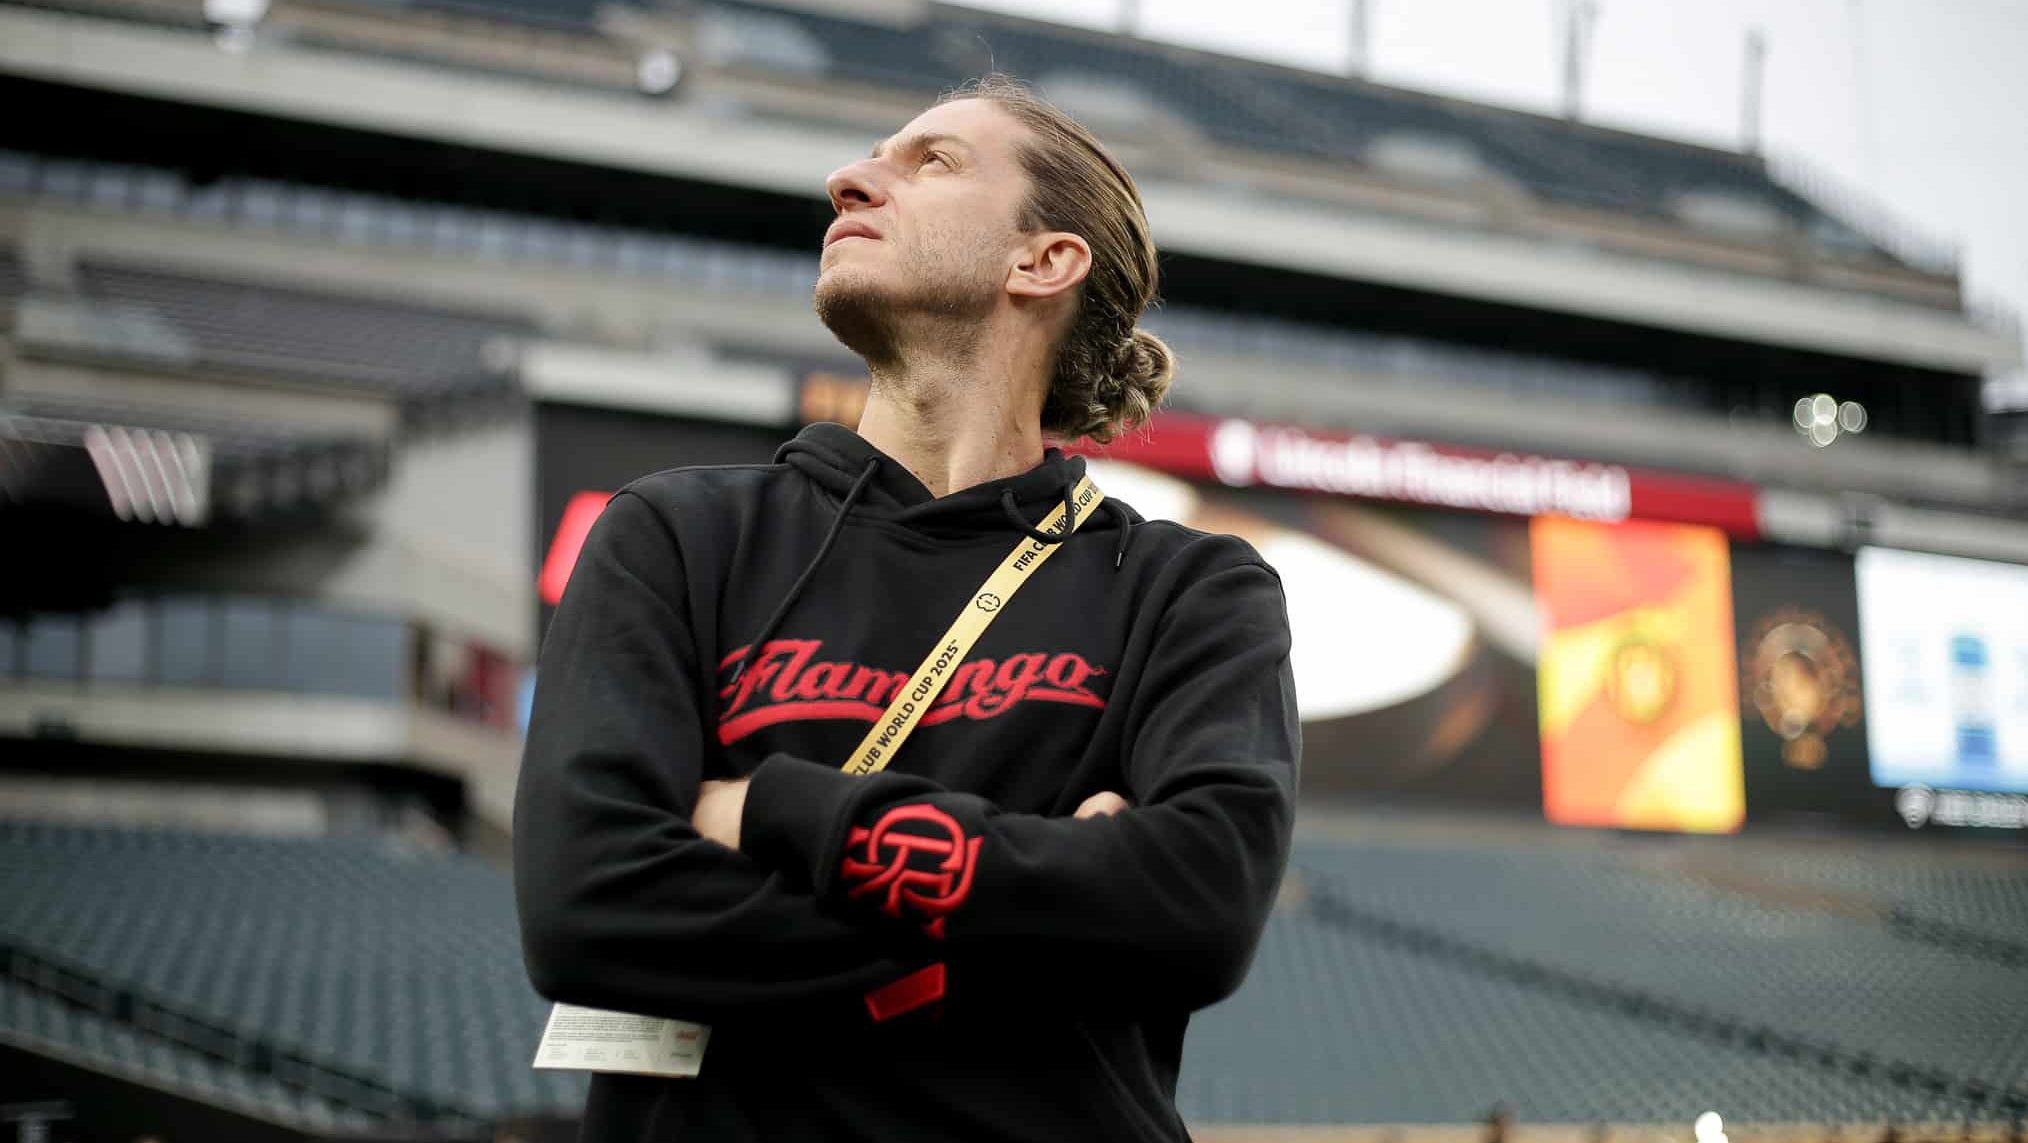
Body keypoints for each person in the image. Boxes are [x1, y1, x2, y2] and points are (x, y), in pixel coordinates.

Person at [513, 74, 1299, 1142]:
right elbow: (587, 910)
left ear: (1044, 259)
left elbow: (1195, 914)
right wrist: (1055, 894)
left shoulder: (1190, 590)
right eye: (871, 158)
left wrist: (771, 811)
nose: (849, 180)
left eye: (930, 161)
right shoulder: (677, 536)